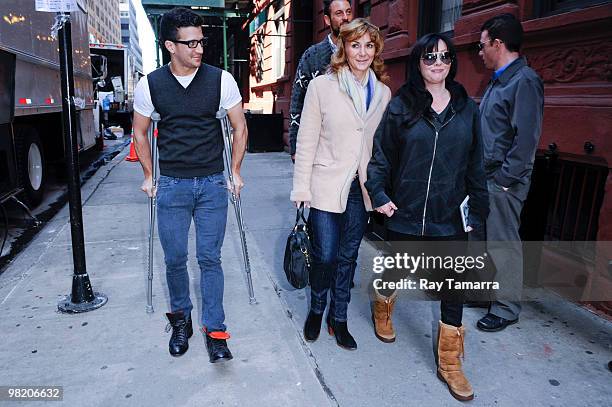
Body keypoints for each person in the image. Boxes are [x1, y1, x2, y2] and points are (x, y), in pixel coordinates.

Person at [366, 33, 489, 401]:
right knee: (396, 268)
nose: (438, 63)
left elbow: (475, 163)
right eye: (430, 57)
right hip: (406, 210)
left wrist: (477, 208)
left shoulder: (467, 108)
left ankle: (450, 362)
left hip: (448, 214)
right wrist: (380, 194)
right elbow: (382, 156)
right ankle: (382, 304)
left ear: (453, 62)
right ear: (418, 61)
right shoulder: (402, 105)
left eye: (445, 57)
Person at [132, 8, 248, 363]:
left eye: (201, 41)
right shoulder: (150, 84)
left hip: (213, 183)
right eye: (191, 42)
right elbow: (139, 131)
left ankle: (215, 331)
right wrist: (149, 175)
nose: (199, 48)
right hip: (172, 186)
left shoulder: (221, 80)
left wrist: (236, 170)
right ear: (170, 45)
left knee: (209, 258)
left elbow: (239, 128)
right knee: (175, 259)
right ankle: (181, 320)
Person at [291, 18, 391, 350]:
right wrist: (301, 187)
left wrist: (380, 189)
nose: (362, 52)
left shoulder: (383, 93)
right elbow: (306, 139)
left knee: (348, 256)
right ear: (344, 48)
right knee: (325, 254)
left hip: (359, 189)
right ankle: (316, 309)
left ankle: (340, 317)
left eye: (369, 45)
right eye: (355, 44)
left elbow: (381, 147)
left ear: (375, 50)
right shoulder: (322, 86)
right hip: (324, 182)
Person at [475, 13, 544, 333]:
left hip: (503, 179)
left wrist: (504, 181)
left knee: (503, 242)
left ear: (498, 44)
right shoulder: (499, 79)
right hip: (486, 175)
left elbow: (526, 139)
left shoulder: (524, 81)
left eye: (482, 45)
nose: (480, 52)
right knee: (483, 240)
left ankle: (506, 307)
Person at [288, 0, 352, 161]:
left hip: (355, 145)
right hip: (322, 148)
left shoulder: (363, 54)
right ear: (327, 20)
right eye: (339, 13)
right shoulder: (312, 56)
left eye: (349, 12)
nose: (346, 17)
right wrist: (296, 146)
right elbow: (298, 102)